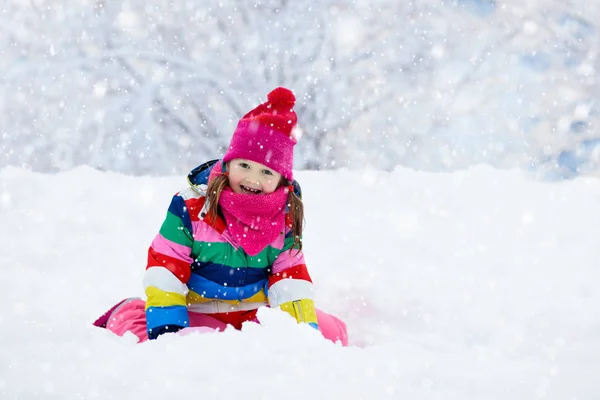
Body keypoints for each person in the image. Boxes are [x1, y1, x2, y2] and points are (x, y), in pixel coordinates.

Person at [93, 87, 348, 346]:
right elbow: (166, 267)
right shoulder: (191, 208)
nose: (253, 179)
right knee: (152, 334)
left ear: (282, 180)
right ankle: (128, 312)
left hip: (255, 315)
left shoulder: (284, 219)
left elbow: (290, 278)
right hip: (197, 312)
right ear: (228, 164)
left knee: (328, 333)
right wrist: (169, 334)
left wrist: (299, 337)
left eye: (267, 173)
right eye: (244, 166)